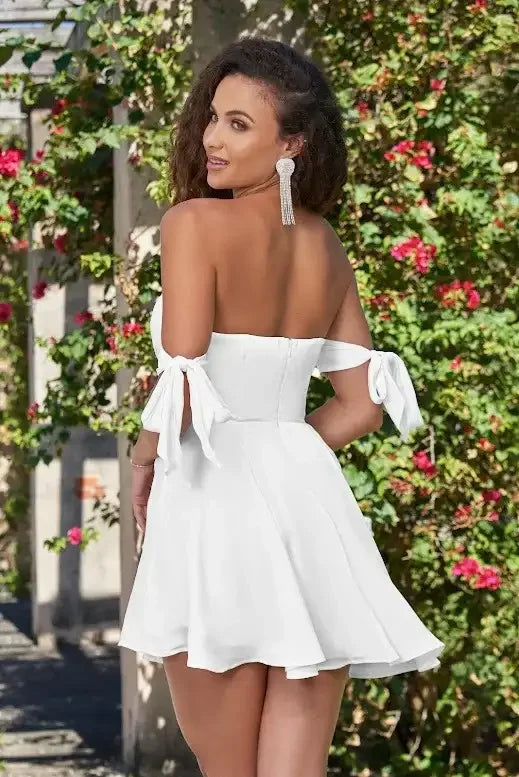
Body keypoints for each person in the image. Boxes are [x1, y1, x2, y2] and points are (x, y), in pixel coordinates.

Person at [118, 36, 445, 777]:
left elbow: (184, 369)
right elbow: (359, 406)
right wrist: (281, 452)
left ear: (291, 143)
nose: (211, 137)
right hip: (310, 510)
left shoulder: (192, 224)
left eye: (239, 124)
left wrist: (143, 460)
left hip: (211, 501)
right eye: (213, 117)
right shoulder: (327, 247)